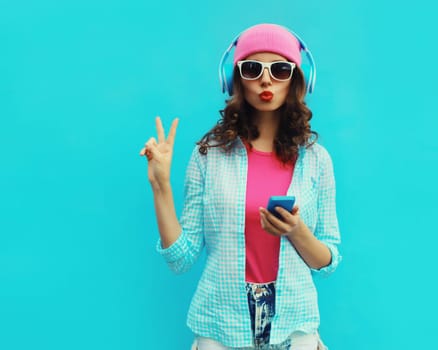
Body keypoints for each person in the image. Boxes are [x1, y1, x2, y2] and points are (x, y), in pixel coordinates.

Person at [140, 23, 342, 350]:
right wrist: (161, 186)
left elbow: (328, 262)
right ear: (235, 79)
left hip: (294, 325)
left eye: (279, 69)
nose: (266, 79)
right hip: (221, 325)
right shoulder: (209, 156)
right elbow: (181, 258)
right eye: (252, 68)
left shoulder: (317, 161)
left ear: (295, 79)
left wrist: (296, 231)